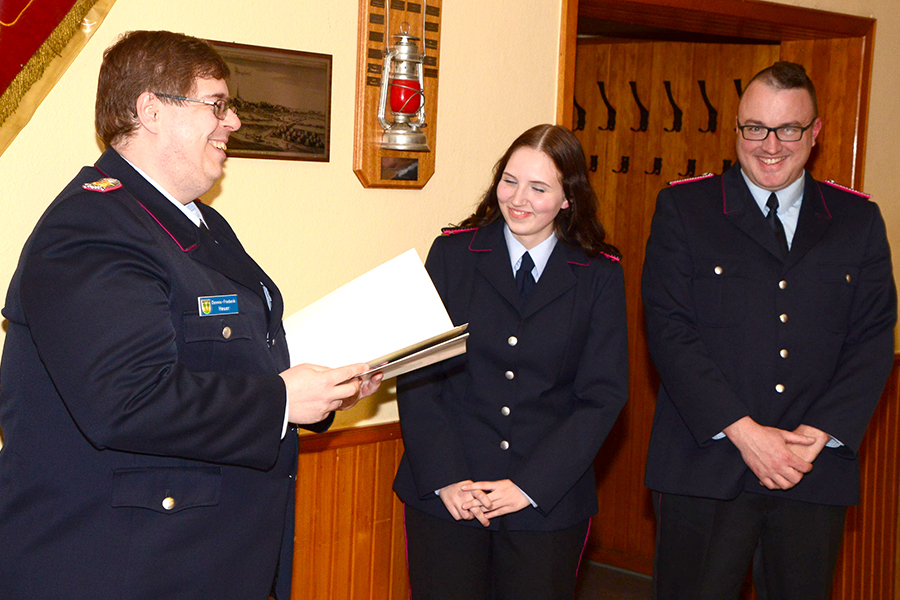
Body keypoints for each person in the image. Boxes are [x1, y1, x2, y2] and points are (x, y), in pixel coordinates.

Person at [0, 30, 380, 600]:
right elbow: (128, 401)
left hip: (201, 560)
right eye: (217, 105)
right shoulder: (91, 228)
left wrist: (324, 388)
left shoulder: (194, 221)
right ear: (151, 111)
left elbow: (225, 358)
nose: (234, 123)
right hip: (118, 568)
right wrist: (281, 400)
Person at [642, 61, 896, 600]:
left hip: (812, 468)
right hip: (705, 466)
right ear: (737, 128)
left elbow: (873, 339)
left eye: (789, 129)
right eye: (755, 128)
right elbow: (669, 329)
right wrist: (744, 432)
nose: (771, 145)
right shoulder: (685, 208)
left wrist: (818, 434)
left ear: (816, 132)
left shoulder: (857, 220)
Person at [393, 124, 629, 599]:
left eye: (539, 188)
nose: (518, 199)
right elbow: (419, 375)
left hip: (546, 506)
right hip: (448, 498)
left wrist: (528, 486)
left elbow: (602, 396)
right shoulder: (453, 253)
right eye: (510, 181)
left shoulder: (598, 274)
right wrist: (446, 479)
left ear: (568, 198)